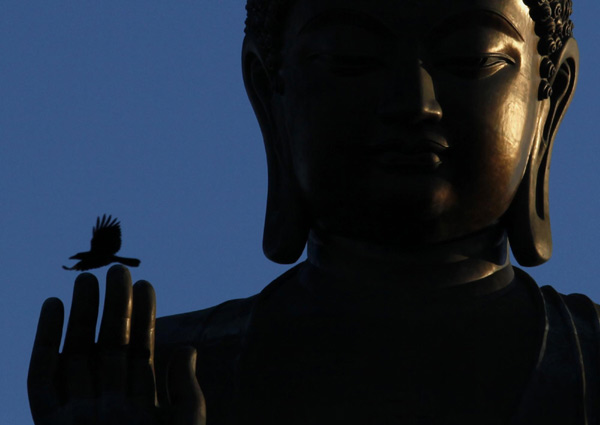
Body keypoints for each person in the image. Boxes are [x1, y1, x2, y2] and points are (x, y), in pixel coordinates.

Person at [28, 0, 596, 423]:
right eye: (349, 59)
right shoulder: (158, 377)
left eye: (471, 58)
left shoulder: (588, 363)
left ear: (552, 95)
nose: (412, 102)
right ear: (270, 93)